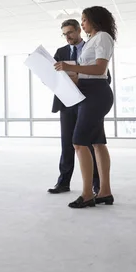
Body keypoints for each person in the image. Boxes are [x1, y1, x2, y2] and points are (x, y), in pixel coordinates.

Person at [54, 6, 116, 209]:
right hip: (87, 91)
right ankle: (105, 192)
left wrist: (70, 67)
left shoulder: (103, 37)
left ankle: (88, 194)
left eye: (84, 20)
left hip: (96, 93)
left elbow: (100, 69)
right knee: (97, 142)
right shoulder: (94, 39)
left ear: (94, 20)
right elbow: (88, 72)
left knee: (79, 142)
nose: (82, 23)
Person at [48, 19, 101, 195]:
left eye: (70, 32)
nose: (67, 37)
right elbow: (53, 76)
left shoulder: (91, 48)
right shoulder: (60, 52)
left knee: (89, 143)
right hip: (66, 102)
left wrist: (80, 76)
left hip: (87, 101)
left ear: (79, 30)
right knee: (67, 143)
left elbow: (104, 76)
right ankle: (63, 183)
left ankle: (96, 184)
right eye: (64, 34)